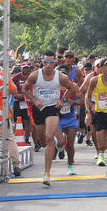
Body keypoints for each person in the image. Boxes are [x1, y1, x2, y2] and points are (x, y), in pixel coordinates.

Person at [24, 51, 79, 186]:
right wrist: (34, 99)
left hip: (53, 108)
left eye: (51, 62)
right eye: (46, 62)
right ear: (42, 62)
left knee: (49, 137)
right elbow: (24, 89)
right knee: (42, 142)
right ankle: (54, 144)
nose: (48, 65)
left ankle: (47, 174)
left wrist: (63, 100)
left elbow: (72, 87)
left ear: (54, 63)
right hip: (39, 108)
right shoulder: (35, 75)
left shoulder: (60, 76)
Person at [54, 51, 84, 175]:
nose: (64, 78)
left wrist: (73, 102)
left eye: (66, 75)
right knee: (61, 141)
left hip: (70, 117)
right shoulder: (53, 86)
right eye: (62, 75)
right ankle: (59, 147)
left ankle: (70, 165)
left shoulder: (74, 86)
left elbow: (82, 99)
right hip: (56, 118)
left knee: (71, 144)